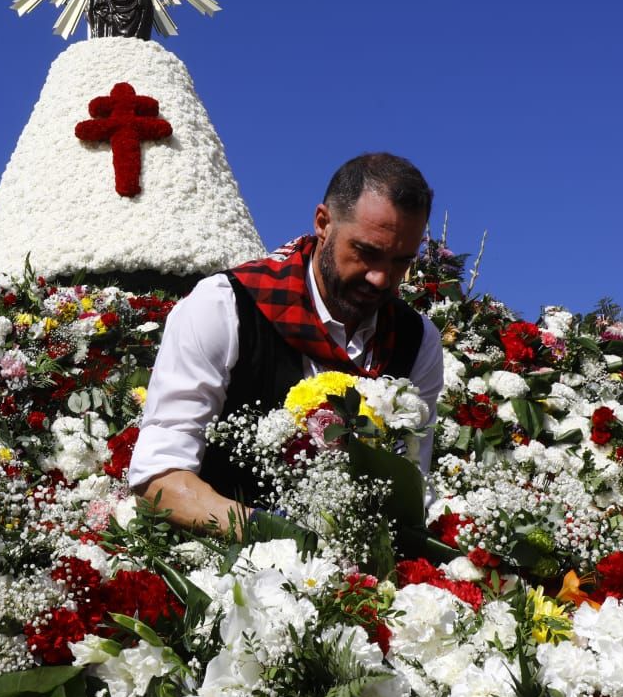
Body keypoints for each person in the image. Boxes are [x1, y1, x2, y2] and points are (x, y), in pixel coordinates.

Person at [127, 152, 445, 534]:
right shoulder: (225, 306)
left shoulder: (417, 341)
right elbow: (159, 478)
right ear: (323, 223)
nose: (381, 278)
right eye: (366, 252)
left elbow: (409, 490)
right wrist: (276, 535)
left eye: (400, 262)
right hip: (215, 561)